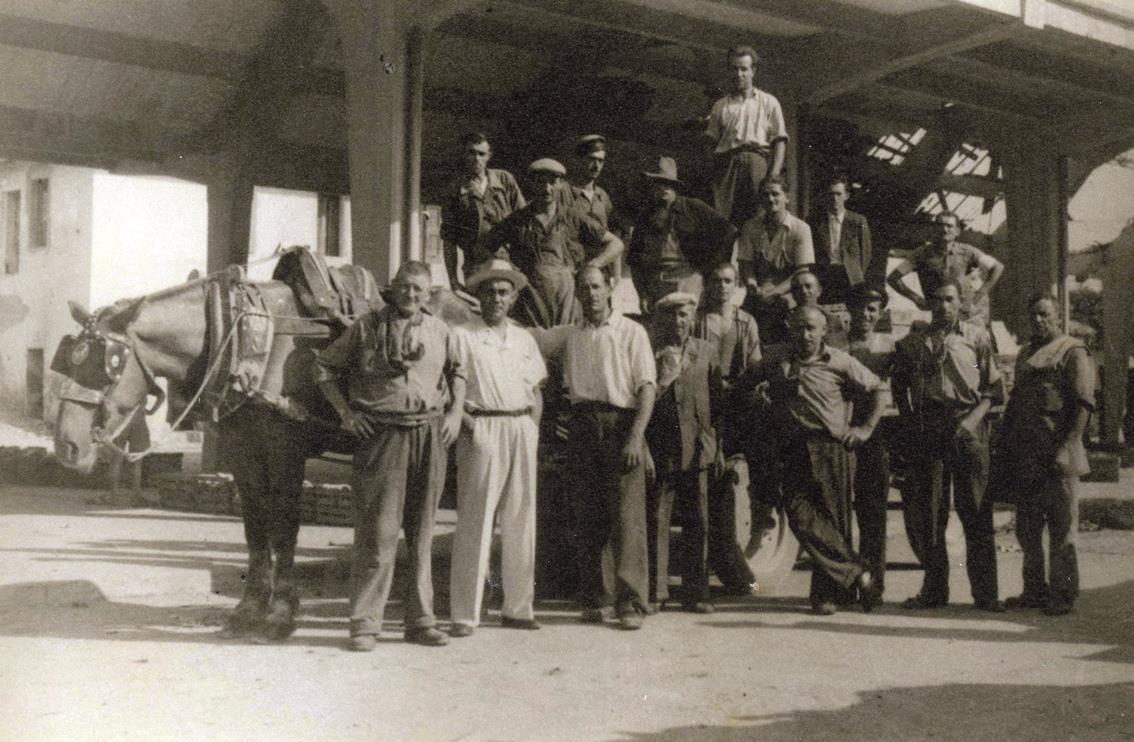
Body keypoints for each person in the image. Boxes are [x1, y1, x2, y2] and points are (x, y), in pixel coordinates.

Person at [315, 261, 466, 650]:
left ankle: (421, 621)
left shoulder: (440, 330)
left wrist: (454, 414)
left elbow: (458, 372)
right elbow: (324, 369)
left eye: (418, 289)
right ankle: (365, 624)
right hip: (382, 436)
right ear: (391, 288)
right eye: (404, 287)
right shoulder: (366, 328)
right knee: (377, 534)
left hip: (429, 435)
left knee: (422, 533)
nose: (410, 295)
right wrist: (347, 414)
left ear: (429, 293)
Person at [737, 305, 884, 615]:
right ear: (791, 330)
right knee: (801, 517)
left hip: (831, 448)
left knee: (833, 520)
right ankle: (859, 573)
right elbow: (745, 384)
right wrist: (762, 405)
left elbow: (878, 389)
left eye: (811, 329)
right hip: (791, 448)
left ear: (823, 331)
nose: (805, 335)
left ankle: (826, 596)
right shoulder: (776, 359)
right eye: (799, 328)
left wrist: (865, 429)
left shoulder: (840, 361)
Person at [533, 266, 657, 630]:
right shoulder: (572, 336)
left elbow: (646, 387)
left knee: (626, 517)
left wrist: (636, 436)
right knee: (587, 516)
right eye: (583, 289)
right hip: (583, 426)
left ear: (610, 288)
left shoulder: (631, 332)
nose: (590, 294)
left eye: (596, 287)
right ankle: (597, 598)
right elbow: (532, 338)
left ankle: (631, 601)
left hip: (621, 424)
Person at [448, 259, 548, 638]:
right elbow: (449, 389)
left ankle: (518, 608)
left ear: (513, 297)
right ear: (478, 295)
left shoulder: (523, 338)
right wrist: (471, 427)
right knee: (475, 523)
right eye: (489, 290)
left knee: (522, 520)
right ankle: (465, 614)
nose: (496, 297)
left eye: (503, 291)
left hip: (520, 426)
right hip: (481, 427)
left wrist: (531, 428)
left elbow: (536, 390)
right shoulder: (463, 336)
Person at [892, 282, 1005, 612]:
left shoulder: (976, 338)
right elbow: (898, 383)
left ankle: (986, 594)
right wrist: (910, 418)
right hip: (930, 429)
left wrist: (972, 422)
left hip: (968, 427)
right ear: (929, 302)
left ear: (960, 302)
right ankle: (934, 590)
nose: (943, 305)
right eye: (937, 299)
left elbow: (994, 390)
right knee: (930, 514)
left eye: (949, 299)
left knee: (976, 511)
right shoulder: (915, 342)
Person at [997, 294, 1095, 616]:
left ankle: (1063, 594)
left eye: (1044, 315)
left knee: (1061, 529)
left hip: (1057, 455)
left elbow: (1083, 406)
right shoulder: (1027, 353)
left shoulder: (1073, 352)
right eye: (1034, 316)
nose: (1038, 321)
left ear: (1058, 317)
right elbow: (1016, 404)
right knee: (1027, 528)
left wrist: (1067, 448)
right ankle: (1034, 590)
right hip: (1028, 457)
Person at [478, 158, 623, 328]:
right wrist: (508, 269)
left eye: (552, 182)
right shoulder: (518, 220)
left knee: (569, 346)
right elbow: (482, 247)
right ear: (532, 184)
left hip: (568, 302)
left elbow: (616, 244)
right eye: (540, 182)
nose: (547, 188)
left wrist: (593, 265)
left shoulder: (573, 216)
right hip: (529, 304)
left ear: (561, 184)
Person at [645, 292, 721, 614]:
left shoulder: (706, 351)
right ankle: (656, 591)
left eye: (684, 315)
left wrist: (718, 445)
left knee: (698, 519)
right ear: (663, 319)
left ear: (693, 319)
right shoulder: (651, 353)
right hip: (663, 447)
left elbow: (717, 401)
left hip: (697, 448)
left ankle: (696, 592)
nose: (678, 321)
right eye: (673, 315)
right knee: (658, 517)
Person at [692, 262, 762, 593]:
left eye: (728, 281)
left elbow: (753, 368)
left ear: (736, 285)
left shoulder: (746, 322)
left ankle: (741, 563)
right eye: (716, 280)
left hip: (735, 407)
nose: (722, 286)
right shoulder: (697, 321)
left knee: (730, 485)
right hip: (704, 404)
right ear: (708, 285)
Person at [628, 157, 736, 313]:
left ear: (675, 187)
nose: (664, 188)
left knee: (687, 325)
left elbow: (728, 231)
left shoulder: (692, 207)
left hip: (688, 280)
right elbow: (635, 262)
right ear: (651, 187)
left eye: (668, 184)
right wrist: (642, 294)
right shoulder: (645, 217)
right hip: (656, 283)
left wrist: (712, 270)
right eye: (659, 183)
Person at [846, 286, 896, 598]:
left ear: (879, 313)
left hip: (876, 432)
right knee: (839, 509)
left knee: (873, 511)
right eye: (860, 308)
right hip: (841, 429)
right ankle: (843, 581)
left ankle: (872, 586)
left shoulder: (889, 347)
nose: (865, 315)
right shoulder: (836, 344)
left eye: (872, 309)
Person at [704, 44, 788, 226]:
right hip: (727, 164)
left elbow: (779, 141)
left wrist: (773, 175)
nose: (739, 74)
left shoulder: (769, 102)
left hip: (757, 164)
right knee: (722, 219)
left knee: (756, 218)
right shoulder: (720, 105)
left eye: (744, 69)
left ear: (753, 71)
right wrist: (714, 172)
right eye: (734, 69)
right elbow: (710, 143)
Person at [887, 212, 1004, 328]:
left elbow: (997, 267)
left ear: (957, 231)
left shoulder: (967, 252)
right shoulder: (921, 254)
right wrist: (916, 299)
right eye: (939, 225)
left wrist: (975, 298)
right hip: (938, 314)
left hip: (965, 314)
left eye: (949, 226)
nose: (944, 229)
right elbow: (893, 278)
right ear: (933, 229)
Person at [440, 132, 526, 289]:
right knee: (477, 310)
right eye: (471, 153)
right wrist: (453, 280)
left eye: (481, 154)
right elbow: (449, 240)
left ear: (489, 156)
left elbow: (524, 221)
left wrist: (522, 265)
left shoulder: (505, 180)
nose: (476, 158)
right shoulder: (455, 190)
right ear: (464, 155)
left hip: (507, 264)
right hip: (475, 266)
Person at [737, 176, 814, 345]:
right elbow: (745, 264)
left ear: (787, 197)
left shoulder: (800, 229)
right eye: (765, 195)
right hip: (757, 293)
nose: (770, 199)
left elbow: (802, 272)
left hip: (788, 294)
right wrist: (752, 285)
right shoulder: (750, 227)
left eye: (775, 194)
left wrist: (775, 292)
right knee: (743, 330)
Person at [808, 175, 884, 305]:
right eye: (831, 194)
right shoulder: (815, 221)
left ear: (846, 196)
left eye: (838, 194)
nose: (834, 199)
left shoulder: (858, 221)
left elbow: (866, 254)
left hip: (850, 277)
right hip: (825, 276)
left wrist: (856, 274)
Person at [790, 270, 848, 349]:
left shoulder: (831, 320)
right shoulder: (787, 320)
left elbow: (838, 352)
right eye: (798, 288)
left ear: (819, 291)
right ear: (793, 294)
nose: (803, 291)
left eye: (808, 286)